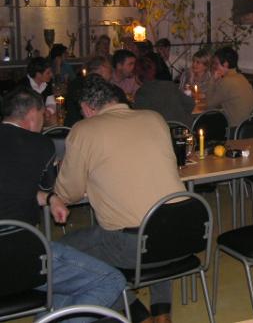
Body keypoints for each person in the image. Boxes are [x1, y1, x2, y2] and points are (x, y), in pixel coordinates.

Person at [54, 75, 186, 323]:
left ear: (87, 108)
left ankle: (135, 312)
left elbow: (69, 192)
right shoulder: (154, 118)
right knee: (157, 224)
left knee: (60, 252)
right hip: (183, 234)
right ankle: (162, 313)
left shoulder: (85, 130)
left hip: (130, 244)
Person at [0, 88, 125, 320]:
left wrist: (49, 199)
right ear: (32, 115)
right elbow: (50, 185)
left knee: (63, 291)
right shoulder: (40, 144)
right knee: (112, 281)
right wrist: (51, 193)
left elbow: (15, 189)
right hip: (20, 258)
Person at [64, 56, 128, 127]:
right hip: (99, 129)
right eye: (110, 68)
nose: (112, 72)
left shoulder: (74, 83)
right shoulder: (113, 90)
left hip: (71, 128)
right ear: (102, 67)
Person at [133, 56, 195, 128]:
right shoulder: (169, 85)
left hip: (161, 131)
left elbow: (142, 119)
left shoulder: (141, 94)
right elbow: (190, 104)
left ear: (137, 75)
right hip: (183, 129)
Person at [205, 46, 253, 127]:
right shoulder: (241, 77)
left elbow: (209, 105)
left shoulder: (226, 81)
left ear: (225, 64)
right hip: (250, 127)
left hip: (235, 130)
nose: (214, 67)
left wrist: (212, 80)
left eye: (216, 63)